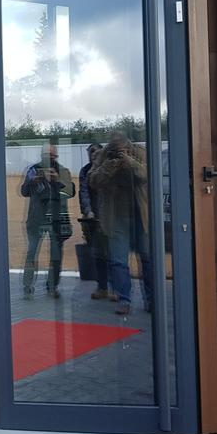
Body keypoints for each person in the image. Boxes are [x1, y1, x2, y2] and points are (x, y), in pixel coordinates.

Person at [89, 132, 153, 315]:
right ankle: (124, 299)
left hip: (141, 216)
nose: (118, 152)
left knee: (147, 259)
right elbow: (93, 181)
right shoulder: (103, 156)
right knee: (118, 261)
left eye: (121, 150)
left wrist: (128, 161)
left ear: (128, 146)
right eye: (115, 150)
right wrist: (110, 165)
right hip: (116, 216)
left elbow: (146, 174)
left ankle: (151, 299)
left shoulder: (139, 152)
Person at [19, 143, 74, 299]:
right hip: (36, 219)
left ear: (56, 156)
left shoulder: (63, 172)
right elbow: (24, 191)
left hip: (56, 219)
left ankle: (52, 286)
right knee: (31, 253)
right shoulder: (33, 170)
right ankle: (27, 286)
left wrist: (56, 181)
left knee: (56, 255)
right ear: (41, 155)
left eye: (52, 155)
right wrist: (34, 181)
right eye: (46, 155)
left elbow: (70, 192)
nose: (49, 158)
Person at [78, 143, 111, 300]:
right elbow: (83, 192)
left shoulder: (109, 168)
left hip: (111, 218)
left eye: (96, 152)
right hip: (95, 219)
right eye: (90, 152)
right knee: (99, 255)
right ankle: (102, 287)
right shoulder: (85, 171)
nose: (93, 155)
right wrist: (88, 211)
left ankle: (116, 288)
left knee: (113, 255)